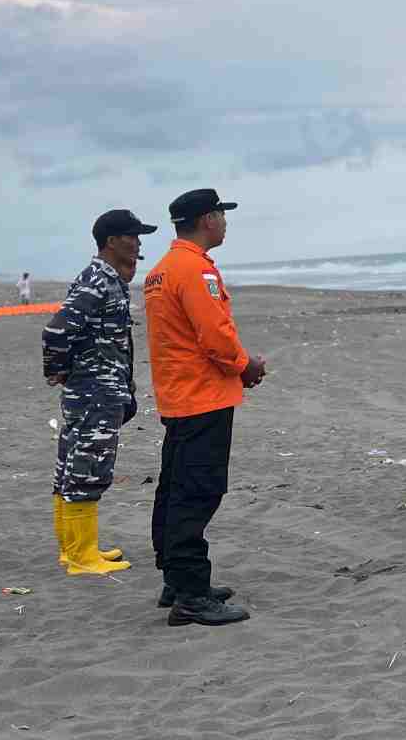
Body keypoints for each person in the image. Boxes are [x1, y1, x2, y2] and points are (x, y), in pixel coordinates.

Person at [144, 188, 264, 628]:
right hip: (202, 395)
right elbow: (214, 336)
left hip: (179, 394)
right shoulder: (195, 269)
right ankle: (191, 594)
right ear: (207, 219)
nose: (225, 223)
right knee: (197, 492)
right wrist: (246, 366)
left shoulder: (161, 271)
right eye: (222, 215)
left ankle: (177, 581)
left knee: (175, 488)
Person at [42, 209, 149, 576]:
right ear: (112, 241)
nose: (138, 242)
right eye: (132, 236)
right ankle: (81, 556)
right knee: (87, 469)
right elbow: (57, 331)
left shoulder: (107, 278)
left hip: (96, 389)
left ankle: (73, 549)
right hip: (95, 391)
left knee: (73, 466)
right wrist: (58, 370)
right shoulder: (98, 280)